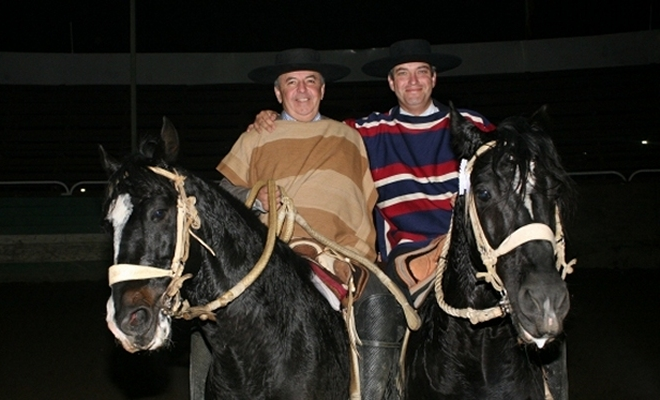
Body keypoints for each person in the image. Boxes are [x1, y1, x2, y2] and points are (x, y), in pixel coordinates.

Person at [248, 39, 495, 400]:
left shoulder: (472, 125)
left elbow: (509, 175)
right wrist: (267, 117)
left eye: (421, 73)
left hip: (465, 244)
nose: (413, 82)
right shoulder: (364, 131)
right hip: (407, 252)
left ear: (434, 79)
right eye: (402, 75)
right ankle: (383, 390)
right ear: (391, 84)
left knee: (534, 293)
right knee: (382, 306)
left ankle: (550, 386)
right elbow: (311, 128)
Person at [191, 48, 379, 400]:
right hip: (266, 256)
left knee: (380, 307)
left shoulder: (348, 138)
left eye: (311, 81)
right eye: (291, 82)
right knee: (211, 319)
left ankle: (373, 390)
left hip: (336, 254)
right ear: (278, 93)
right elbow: (222, 195)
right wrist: (255, 194)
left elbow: (361, 200)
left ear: (323, 90)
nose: (302, 90)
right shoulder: (255, 136)